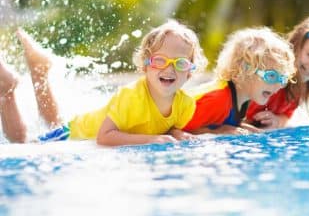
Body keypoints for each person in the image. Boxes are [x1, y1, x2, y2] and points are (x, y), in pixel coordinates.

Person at [0, 19, 208, 146]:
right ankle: (7, 90)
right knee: (24, 143)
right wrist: (152, 140)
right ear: (145, 65)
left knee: (53, 120)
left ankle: (40, 70)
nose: (169, 69)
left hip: (80, 127)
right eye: (160, 60)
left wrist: (177, 133)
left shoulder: (186, 104)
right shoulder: (132, 97)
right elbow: (104, 137)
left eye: (180, 63)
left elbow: (166, 128)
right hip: (75, 132)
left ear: (190, 71)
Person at [173, 27, 296, 136]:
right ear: (245, 70)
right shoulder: (218, 99)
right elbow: (175, 130)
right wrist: (218, 132)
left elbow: (218, 122)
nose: (278, 86)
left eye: (282, 79)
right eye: (271, 77)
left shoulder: (241, 99)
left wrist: (241, 127)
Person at [244, 16, 309, 129]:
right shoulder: (271, 74)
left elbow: (286, 116)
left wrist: (277, 121)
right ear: (295, 45)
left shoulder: (298, 88)